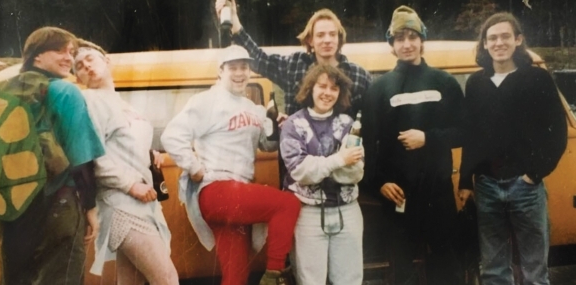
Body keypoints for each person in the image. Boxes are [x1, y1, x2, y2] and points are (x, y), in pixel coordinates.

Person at [161, 45, 302, 285]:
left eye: (244, 67)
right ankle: (274, 274)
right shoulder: (206, 100)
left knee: (236, 275)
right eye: (233, 68)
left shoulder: (253, 109)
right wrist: (194, 168)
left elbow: (266, 147)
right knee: (287, 204)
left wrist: (279, 129)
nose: (239, 73)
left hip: (237, 195)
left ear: (250, 72)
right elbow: (172, 136)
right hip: (217, 191)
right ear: (221, 71)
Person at [458, 12, 567, 284]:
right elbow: (471, 138)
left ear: (518, 40)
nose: (499, 43)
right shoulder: (476, 84)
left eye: (505, 36)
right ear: (484, 44)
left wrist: (534, 175)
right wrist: (466, 180)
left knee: (534, 270)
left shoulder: (537, 79)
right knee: (494, 269)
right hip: (487, 187)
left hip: (526, 187)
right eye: (492, 37)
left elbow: (557, 134)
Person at [361, 6, 463, 285]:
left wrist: (428, 138)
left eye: (412, 37)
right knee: (402, 268)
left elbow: (464, 131)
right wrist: (378, 182)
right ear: (391, 45)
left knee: (446, 262)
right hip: (399, 195)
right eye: (399, 38)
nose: (406, 44)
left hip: (438, 192)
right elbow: (368, 143)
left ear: (422, 40)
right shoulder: (380, 89)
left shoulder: (444, 83)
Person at [0, 27, 105, 284]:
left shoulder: (4, 91)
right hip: (59, 204)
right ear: (36, 56)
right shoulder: (65, 92)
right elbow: (81, 158)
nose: (68, 57)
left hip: (12, 208)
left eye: (71, 51)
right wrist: (90, 208)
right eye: (59, 50)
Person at [73, 39, 179, 285]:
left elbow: (121, 142)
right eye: (78, 65)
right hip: (120, 201)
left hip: (141, 202)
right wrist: (131, 185)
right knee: (167, 278)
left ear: (106, 60)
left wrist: (150, 153)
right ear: (78, 78)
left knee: (131, 282)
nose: (86, 66)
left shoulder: (121, 103)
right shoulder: (90, 100)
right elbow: (94, 155)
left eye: (90, 58)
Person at [215, 0, 371, 116]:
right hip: (296, 155)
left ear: (339, 37)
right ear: (310, 40)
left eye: (332, 34)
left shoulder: (359, 76)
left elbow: (372, 118)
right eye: (320, 35)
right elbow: (259, 59)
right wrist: (234, 20)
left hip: (343, 156)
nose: (327, 40)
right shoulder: (294, 65)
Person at [280, 64, 364, 284]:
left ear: (340, 93)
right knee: (310, 280)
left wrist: (321, 167)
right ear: (311, 88)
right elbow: (300, 171)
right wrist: (338, 160)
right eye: (322, 86)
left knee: (350, 279)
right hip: (308, 213)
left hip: (347, 210)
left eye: (334, 88)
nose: (327, 93)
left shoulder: (349, 124)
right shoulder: (293, 124)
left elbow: (354, 173)